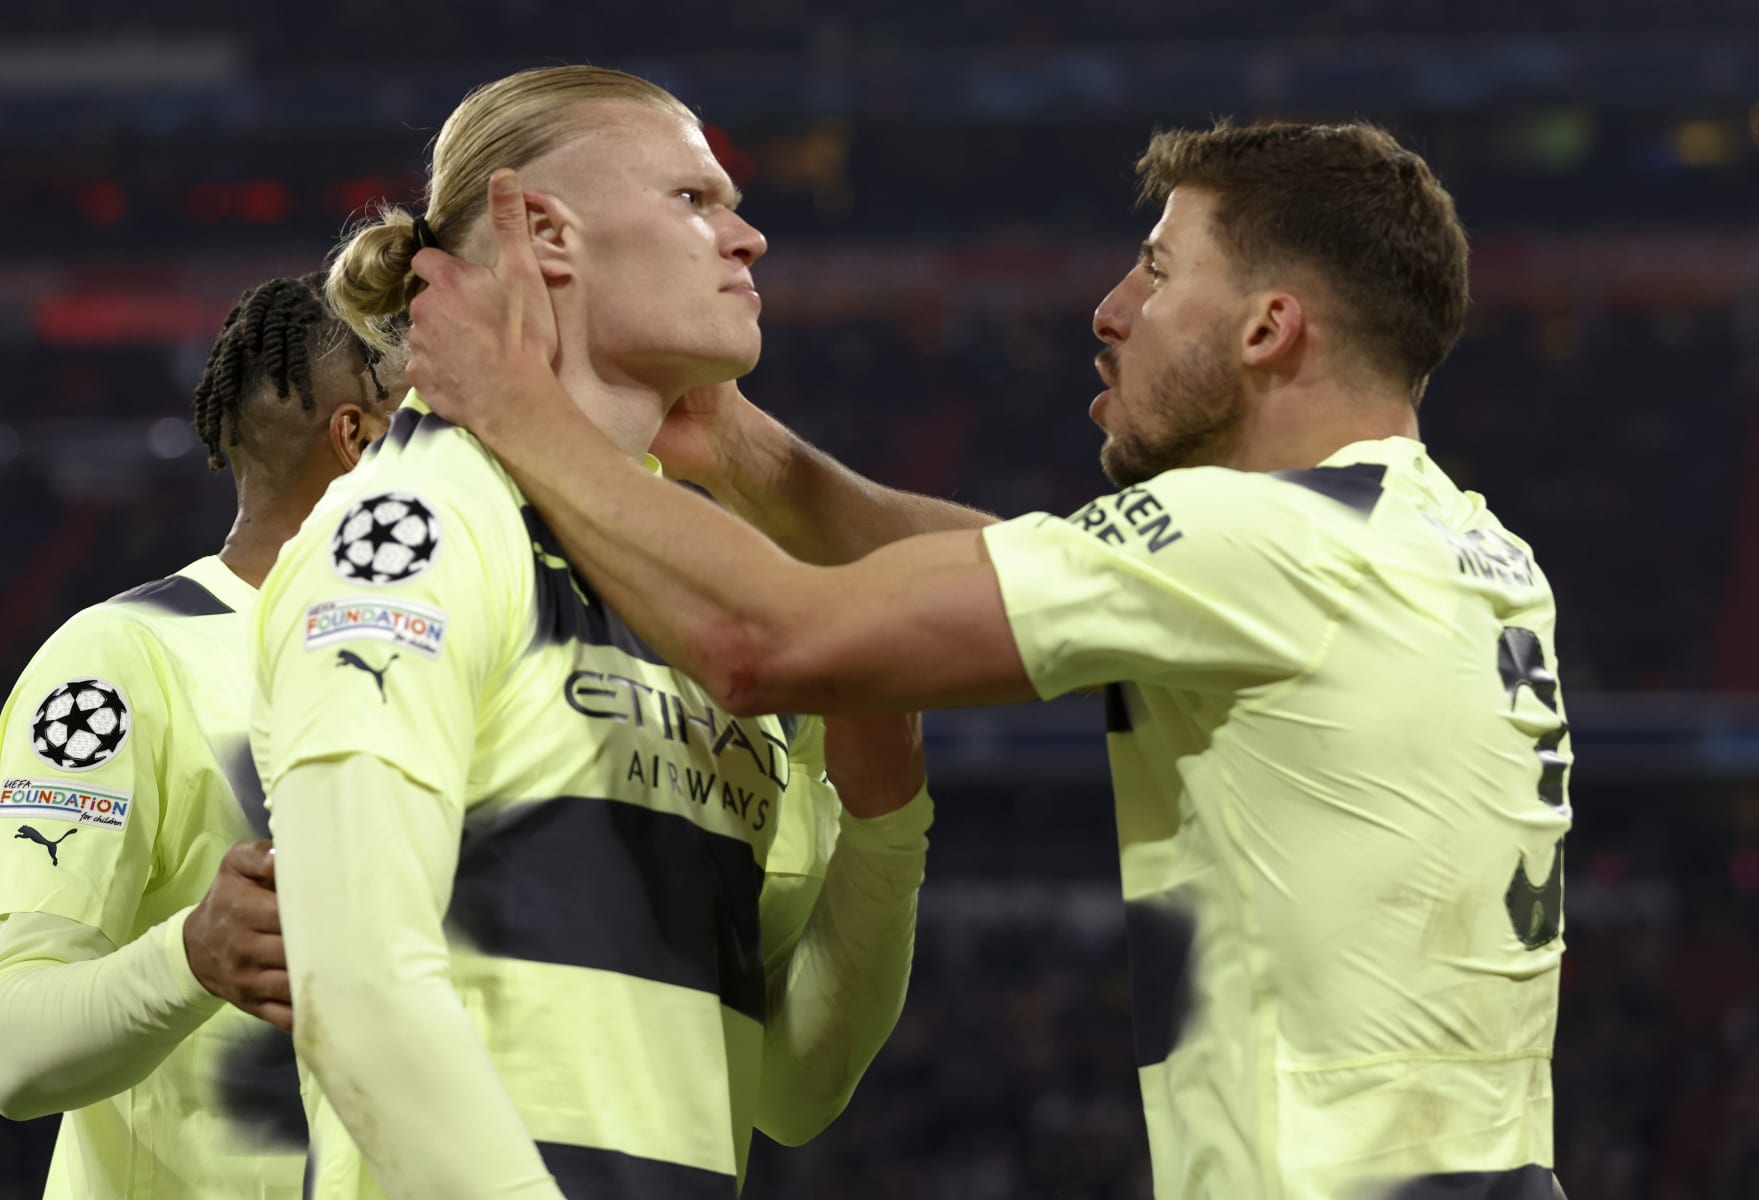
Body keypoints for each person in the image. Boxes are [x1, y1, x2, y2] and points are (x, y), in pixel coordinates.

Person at [408, 120, 1573, 1199]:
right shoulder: (1452, 542)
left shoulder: (1268, 542)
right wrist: (754, 459)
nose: (1112, 310)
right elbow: (1013, 565)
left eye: (1160, 273)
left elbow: (767, 644)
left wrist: (517, 406)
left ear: (1268, 330)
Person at [253, 65, 931, 1200]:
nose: (749, 236)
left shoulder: (705, 585)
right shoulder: (417, 521)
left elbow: (795, 1083)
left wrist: (885, 824)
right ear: (545, 231)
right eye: (694, 199)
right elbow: (359, 986)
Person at [0, 273, 404, 1198]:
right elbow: (12, 1049)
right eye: (440, 426)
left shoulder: (451, 670)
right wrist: (190, 956)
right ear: (362, 442)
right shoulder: (120, 659)